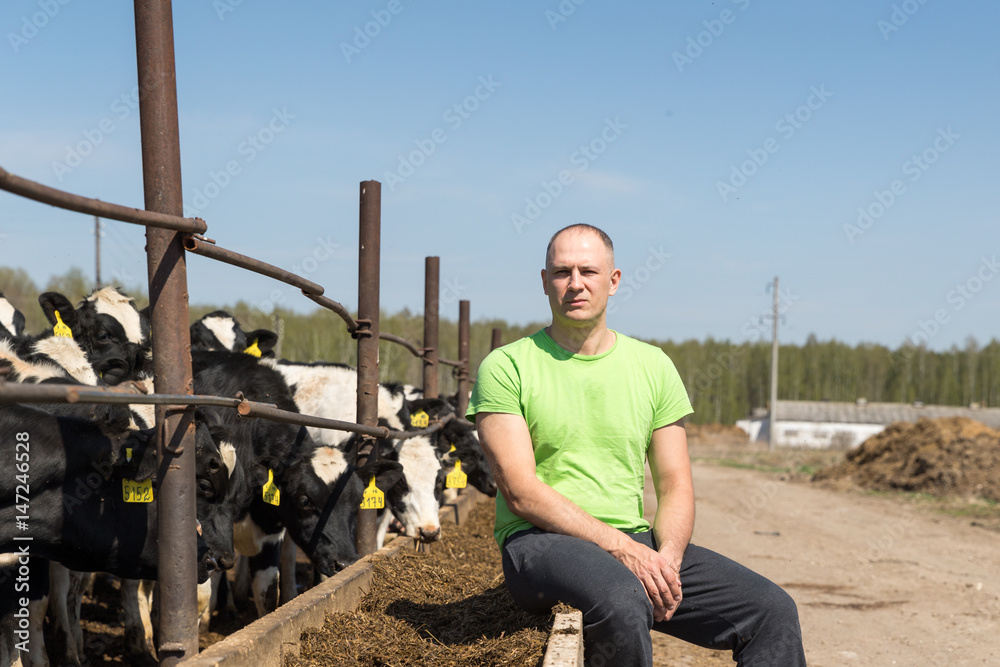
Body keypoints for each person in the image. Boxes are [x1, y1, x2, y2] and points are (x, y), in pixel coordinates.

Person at [466, 224, 805, 666]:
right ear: (544, 281)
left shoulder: (653, 366)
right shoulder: (507, 365)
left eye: (588, 270)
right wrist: (622, 549)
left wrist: (668, 558)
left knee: (772, 611)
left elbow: (675, 484)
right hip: (539, 543)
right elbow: (520, 491)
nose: (575, 284)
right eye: (562, 272)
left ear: (614, 280)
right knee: (621, 597)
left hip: (634, 540)